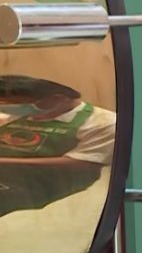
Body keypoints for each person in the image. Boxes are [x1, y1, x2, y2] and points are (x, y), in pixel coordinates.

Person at [0, 75, 116, 217]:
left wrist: (5, 162)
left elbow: (83, 163)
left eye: (16, 104)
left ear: (56, 99)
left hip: (48, 185)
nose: (8, 109)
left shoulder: (103, 123)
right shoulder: (18, 116)